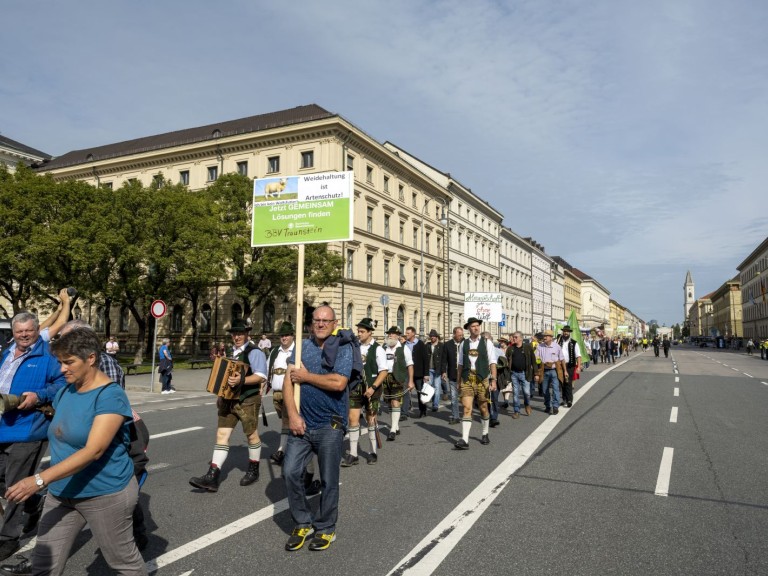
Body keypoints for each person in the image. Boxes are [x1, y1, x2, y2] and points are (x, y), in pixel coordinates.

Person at [4, 328, 147, 575]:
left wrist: (38, 480)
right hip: (62, 492)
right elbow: (60, 425)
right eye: (60, 362)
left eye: (69, 362)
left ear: (91, 358)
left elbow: (94, 450)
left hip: (105, 494)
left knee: (124, 564)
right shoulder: (66, 391)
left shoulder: (110, 395)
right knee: (43, 563)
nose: (62, 369)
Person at [282, 305, 353, 552]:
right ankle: (303, 522)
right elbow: (287, 381)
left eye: (326, 320)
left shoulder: (343, 347)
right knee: (290, 471)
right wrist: (292, 415)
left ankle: (325, 528)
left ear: (335, 323)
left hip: (330, 424)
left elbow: (338, 382)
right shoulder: (302, 347)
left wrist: (306, 376)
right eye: (317, 320)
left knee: (329, 480)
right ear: (311, 323)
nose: (321, 324)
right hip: (301, 424)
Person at [0, 312, 66, 562]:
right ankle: (34, 502)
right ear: (13, 333)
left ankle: (8, 539)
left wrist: (38, 396)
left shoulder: (49, 355)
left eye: (28, 330)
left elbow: (62, 383)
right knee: (7, 483)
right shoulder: (7, 352)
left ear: (38, 329)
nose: (24, 335)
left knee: (15, 485)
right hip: (4, 425)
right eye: (19, 332)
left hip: (29, 428)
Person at [189, 321, 267, 491]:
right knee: (221, 435)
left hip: (248, 399)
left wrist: (242, 380)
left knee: (252, 436)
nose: (236, 337)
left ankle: (254, 470)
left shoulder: (255, 352)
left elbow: (261, 376)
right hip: (229, 400)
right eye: (233, 334)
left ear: (247, 334)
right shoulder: (232, 352)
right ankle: (212, 476)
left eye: (240, 333)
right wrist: (220, 395)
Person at [342, 318, 387, 466]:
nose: (359, 334)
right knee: (353, 418)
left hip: (372, 388)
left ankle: (372, 451)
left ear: (369, 332)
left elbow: (383, 371)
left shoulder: (378, 349)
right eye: (358, 331)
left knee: (370, 419)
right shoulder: (355, 347)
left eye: (362, 331)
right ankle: (353, 454)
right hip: (356, 387)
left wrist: (373, 388)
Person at [455, 318, 497, 449]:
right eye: (473, 326)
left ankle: (485, 433)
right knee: (467, 408)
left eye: (477, 325)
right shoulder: (464, 344)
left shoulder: (486, 343)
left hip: (482, 378)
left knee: (483, 407)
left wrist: (493, 380)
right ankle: (464, 439)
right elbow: (460, 364)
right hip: (468, 378)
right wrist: (458, 381)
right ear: (468, 329)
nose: (476, 328)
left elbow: (492, 362)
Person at [267, 322, 296, 465]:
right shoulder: (275, 351)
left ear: (292, 336)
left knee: (287, 420)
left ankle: (282, 451)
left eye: (287, 335)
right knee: (285, 421)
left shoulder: (297, 351)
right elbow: (268, 370)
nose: (284, 338)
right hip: (276, 393)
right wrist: (264, 387)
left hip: (292, 392)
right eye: (282, 335)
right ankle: (288, 448)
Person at [381, 327, 414, 441]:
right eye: (389, 334)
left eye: (393, 334)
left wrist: (410, 381)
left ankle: (392, 430)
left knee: (395, 403)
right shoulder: (383, 348)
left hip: (399, 378)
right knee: (390, 404)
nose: (390, 335)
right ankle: (396, 426)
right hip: (385, 378)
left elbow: (410, 365)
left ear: (398, 336)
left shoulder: (404, 348)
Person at [534, 330, 566, 415]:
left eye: (546, 336)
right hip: (544, 371)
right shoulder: (539, 347)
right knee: (544, 390)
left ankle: (555, 406)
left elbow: (562, 359)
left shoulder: (557, 347)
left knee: (555, 389)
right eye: (544, 336)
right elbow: (535, 359)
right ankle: (548, 406)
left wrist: (565, 371)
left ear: (551, 338)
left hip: (554, 370)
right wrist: (536, 373)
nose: (544, 337)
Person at [506, 331, 536, 418]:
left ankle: (527, 404)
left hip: (525, 373)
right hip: (514, 374)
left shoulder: (527, 347)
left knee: (526, 393)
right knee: (515, 393)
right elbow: (507, 359)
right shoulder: (510, 348)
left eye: (515, 337)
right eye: (513, 337)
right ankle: (516, 411)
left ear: (521, 338)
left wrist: (536, 373)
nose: (513, 338)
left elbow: (533, 361)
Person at [403, 327, 429, 418]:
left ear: (413, 334)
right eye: (406, 333)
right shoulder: (404, 344)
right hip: (407, 372)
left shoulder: (421, 344)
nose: (406, 334)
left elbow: (426, 359)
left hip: (418, 373)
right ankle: (405, 412)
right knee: (406, 392)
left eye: (408, 333)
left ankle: (422, 409)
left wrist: (426, 374)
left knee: (420, 392)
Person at [440, 327, 464, 425]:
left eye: (462, 335)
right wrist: (443, 372)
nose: (461, 337)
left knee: (465, 397)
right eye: (459, 335)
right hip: (453, 374)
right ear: (454, 334)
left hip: (464, 375)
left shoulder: (466, 343)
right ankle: (455, 416)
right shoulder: (448, 345)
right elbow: (444, 359)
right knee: (454, 397)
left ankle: (467, 414)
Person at [557, 326, 581, 409]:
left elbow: (578, 356)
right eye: (564, 331)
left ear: (569, 333)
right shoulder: (559, 342)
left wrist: (578, 367)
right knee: (562, 382)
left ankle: (569, 400)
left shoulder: (574, 343)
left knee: (568, 382)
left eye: (567, 331)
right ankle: (564, 398)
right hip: (560, 365)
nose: (565, 333)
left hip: (570, 365)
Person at [426, 330, 444, 413]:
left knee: (437, 387)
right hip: (429, 369)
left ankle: (435, 405)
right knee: (429, 386)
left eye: (433, 336)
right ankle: (431, 400)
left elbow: (444, 360)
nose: (432, 337)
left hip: (437, 369)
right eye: (431, 336)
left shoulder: (441, 346)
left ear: (437, 337)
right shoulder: (427, 345)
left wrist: (444, 371)